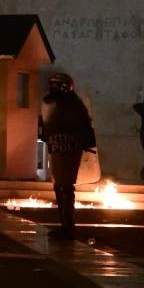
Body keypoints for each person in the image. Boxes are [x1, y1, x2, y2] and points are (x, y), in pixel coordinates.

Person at [39, 72, 95, 241]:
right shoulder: (54, 104)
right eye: (52, 85)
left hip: (68, 150)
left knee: (65, 187)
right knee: (59, 186)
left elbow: (82, 128)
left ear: (65, 86)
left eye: (56, 85)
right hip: (57, 149)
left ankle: (68, 227)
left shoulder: (73, 105)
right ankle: (65, 226)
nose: (53, 88)